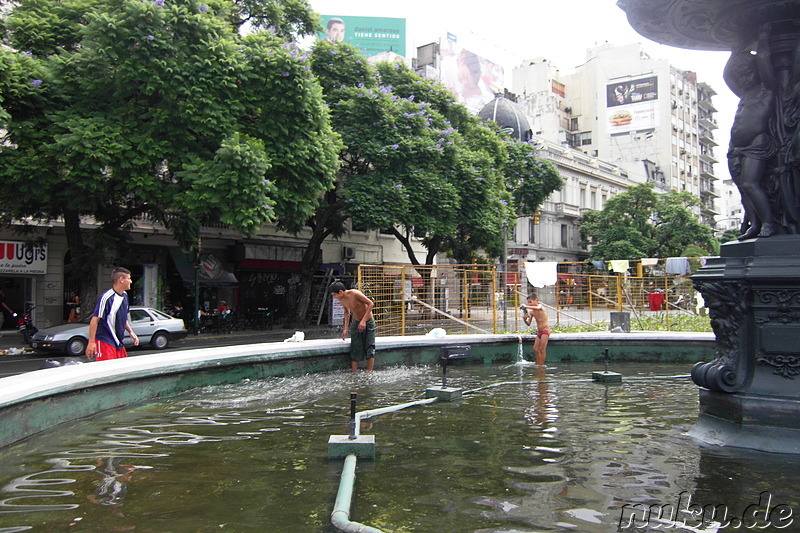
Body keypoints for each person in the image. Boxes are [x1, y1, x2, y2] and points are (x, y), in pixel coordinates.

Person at [724, 26, 779, 240]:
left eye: (748, 73)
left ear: (757, 72)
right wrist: (734, 51)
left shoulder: (767, 87)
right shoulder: (744, 92)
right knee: (743, 189)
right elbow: (727, 76)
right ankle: (754, 224)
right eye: (742, 76)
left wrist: (763, 37)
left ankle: (768, 223)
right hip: (735, 146)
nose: (745, 79)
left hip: (757, 143)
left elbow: (764, 58)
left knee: (750, 183)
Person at [86, 267, 139, 361]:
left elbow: (123, 318)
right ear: (121, 280)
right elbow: (95, 320)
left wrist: (131, 332)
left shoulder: (125, 296)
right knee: (107, 370)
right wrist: (91, 342)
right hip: (105, 340)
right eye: (129, 278)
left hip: (118, 342)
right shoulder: (107, 298)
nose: (131, 281)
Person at [329, 280, 375, 372]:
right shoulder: (341, 299)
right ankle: (354, 373)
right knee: (355, 346)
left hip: (368, 320)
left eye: (334, 295)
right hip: (356, 321)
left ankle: (369, 372)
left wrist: (364, 321)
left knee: (369, 346)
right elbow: (347, 313)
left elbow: (370, 304)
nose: (334, 297)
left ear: (341, 292)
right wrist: (345, 329)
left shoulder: (355, 294)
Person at [522, 293, 550, 366]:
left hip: (545, 331)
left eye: (530, 302)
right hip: (539, 332)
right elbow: (528, 323)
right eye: (528, 302)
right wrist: (524, 319)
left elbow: (538, 308)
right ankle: (538, 363)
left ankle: (541, 364)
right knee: (535, 349)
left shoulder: (540, 306)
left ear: (536, 300)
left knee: (542, 349)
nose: (530, 304)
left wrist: (526, 307)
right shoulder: (532, 312)